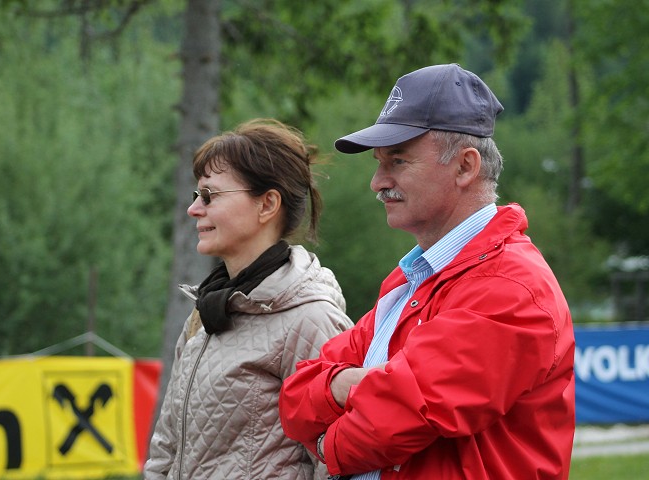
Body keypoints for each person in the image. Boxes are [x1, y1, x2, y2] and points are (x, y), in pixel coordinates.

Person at [279, 64, 575, 479]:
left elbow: (397, 419)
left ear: (465, 167)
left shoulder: (509, 286)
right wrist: (347, 385)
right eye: (379, 163)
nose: (377, 182)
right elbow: (295, 395)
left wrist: (328, 445)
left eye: (398, 161)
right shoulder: (413, 279)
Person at [144, 118, 353, 480]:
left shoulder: (312, 319)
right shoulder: (204, 313)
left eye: (209, 195)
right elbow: (166, 450)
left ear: (267, 204)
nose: (194, 209)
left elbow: (337, 460)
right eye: (196, 196)